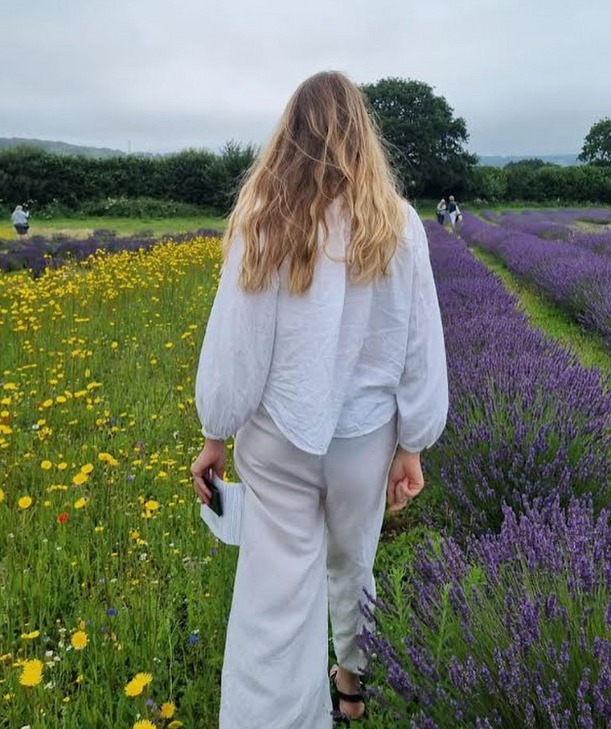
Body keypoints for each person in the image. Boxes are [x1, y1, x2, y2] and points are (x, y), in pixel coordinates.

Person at [191, 71, 448, 729]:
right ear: (363, 136)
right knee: (352, 563)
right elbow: (418, 344)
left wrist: (215, 433)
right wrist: (413, 442)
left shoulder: (264, 220)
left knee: (274, 599)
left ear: (290, 136)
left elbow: (237, 345)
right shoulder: (398, 224)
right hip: (365, 437)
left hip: (279, 434)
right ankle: (351, 686)